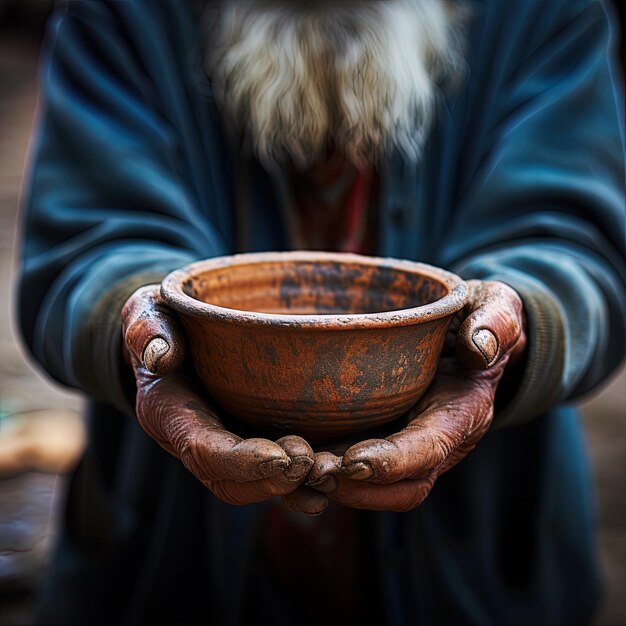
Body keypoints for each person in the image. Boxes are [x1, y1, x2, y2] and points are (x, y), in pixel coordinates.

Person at [16, 0, 625, 624]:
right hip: (166, 567)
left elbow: (576, 245)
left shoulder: (546, 12)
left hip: (480, 574)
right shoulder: (119, 15)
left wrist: (510, 333)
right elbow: (88, 244)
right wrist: (146, 329)